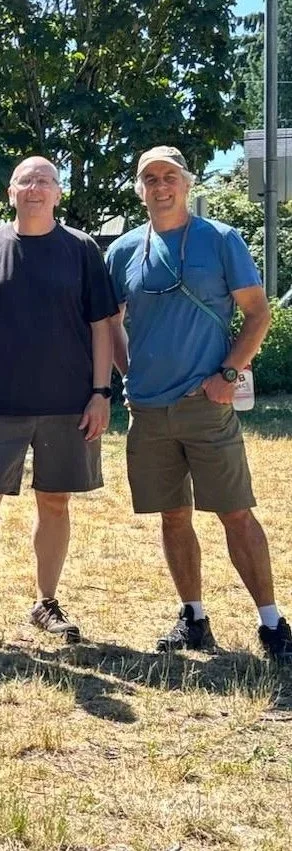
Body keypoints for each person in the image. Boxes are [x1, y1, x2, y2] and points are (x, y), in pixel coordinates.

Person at [107, 145, 291, 663]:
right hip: (147, 411)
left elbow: (258, 314)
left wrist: (227, 375)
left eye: (169, 176)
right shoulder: (122, 252)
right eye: (149, 178)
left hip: (206, 406)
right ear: (139, 188)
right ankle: (194, 617)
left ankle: (272, 624)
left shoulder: (221, 240)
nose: (160, 186)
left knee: (236, 512)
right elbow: (108, 323)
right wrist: (128, 373)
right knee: (172, 516)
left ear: (186, 183)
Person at [0, 156, 116, 647]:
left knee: (55, 503)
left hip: (67, 403)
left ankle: (46, 602)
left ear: (58, 193)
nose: (34, 188)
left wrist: (101, 394)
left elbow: (102, 326)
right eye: (25, 180)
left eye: (44, 181)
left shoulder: (81, 250)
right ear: (10, 190)